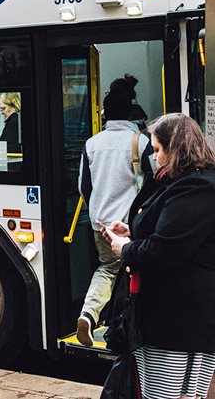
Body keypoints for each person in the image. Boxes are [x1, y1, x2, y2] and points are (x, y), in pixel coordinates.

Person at [102, 113, 215, 399]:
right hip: (179, 317)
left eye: (157, 149)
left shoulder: (194, 187)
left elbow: (165, 250)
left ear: (175, 148)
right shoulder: (191, 182)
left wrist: (125, 249)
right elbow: (175, 231)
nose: (155, 157)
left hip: (178, 322)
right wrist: (134, 230)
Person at [76, 75, 153, 347]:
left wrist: (97, 211)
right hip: (132, 224)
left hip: (101, 224)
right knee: (135, 271)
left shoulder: (92, 143)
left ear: (106, 113)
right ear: (130, 112)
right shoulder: (141, 142)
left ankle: (88, 314)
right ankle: (126, 327)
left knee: (107, 270)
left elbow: (84, 187)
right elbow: (153, 183)